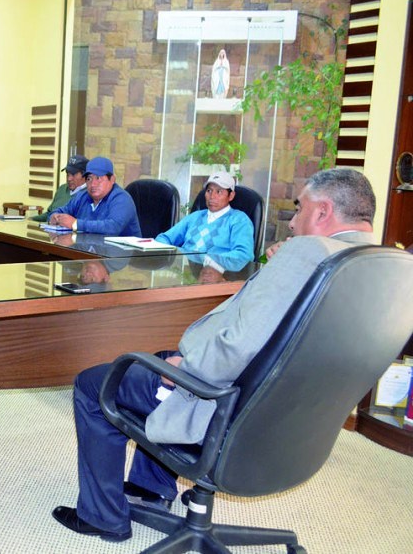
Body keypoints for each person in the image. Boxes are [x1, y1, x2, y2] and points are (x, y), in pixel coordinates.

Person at [52, 168, 377, 541]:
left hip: (221, 406)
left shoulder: (306, 255)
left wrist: (186, 371)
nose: (291, 224)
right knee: (160, 354)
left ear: (322, 212)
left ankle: (102, 517)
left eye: (299, 209)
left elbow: (239, 345)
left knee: (94, 383)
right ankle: (151, 486)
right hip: (285, 420)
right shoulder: (373, 263)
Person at [155, 171, 254, 265]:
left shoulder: (239, 220)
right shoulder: (195, 216)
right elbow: (163, 238)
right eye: (209, 191)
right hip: (186, 272)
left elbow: (244, 255)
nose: (212, 196)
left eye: (219, 192)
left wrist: (207, 259)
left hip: (219, 276)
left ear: (231, 196)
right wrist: (177, 254)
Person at [48, 157, 141, 237]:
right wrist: (54, 217)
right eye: (89, 179)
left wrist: (76, 224)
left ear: (112, 179)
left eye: (98, 178)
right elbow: (60, 211)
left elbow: (112, 227)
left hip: (123, 256)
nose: (93, 184)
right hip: (89, 252)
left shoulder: (122, 199)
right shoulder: (82, 196)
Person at [32, 155, 89, 222]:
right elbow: (49, 214)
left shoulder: (89, 194)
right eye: (67, 174)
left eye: (73, 175)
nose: (69, 179)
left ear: (84, 174)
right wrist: (31, 219)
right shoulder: (62, 189)